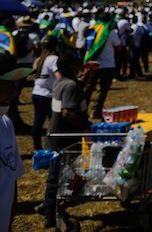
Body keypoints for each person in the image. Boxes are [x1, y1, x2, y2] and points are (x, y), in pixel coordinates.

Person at [43, 51, 91, 228]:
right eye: (78, 64)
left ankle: (50, 209)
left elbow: (77, 93)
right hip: (64, 141)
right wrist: (86, 126)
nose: (81, 66)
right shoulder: (70, 85)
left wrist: (87, 76)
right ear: (71, 67)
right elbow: (67, 112)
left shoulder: (61, 82)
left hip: (58, 138)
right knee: (58, 178)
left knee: (55, 178)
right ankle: (51, 212)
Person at [0, 52, 30, 231]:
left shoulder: (6, 124)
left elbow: (12, 182)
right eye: (8, 83)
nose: (15, 90)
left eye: (15, 83)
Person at [30, 36, 59, 151]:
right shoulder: (53, 59)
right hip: (47, 95)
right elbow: (58, 76)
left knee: (38, 122)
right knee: (54, 124)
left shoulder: (39, 59)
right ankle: (52, 147)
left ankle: (37, 148)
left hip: (36, 93)